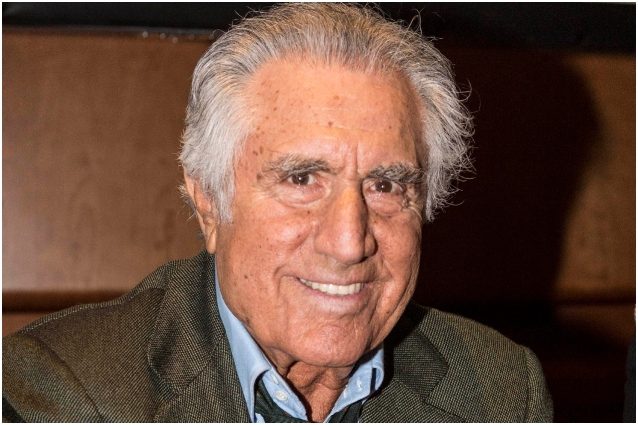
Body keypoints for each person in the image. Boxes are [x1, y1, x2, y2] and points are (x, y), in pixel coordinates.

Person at [3, 4, 553, 422]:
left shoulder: (501, 391)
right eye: (301, 179)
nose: (348, 242)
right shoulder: (68, 393)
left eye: (385, 186)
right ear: (209, 202)